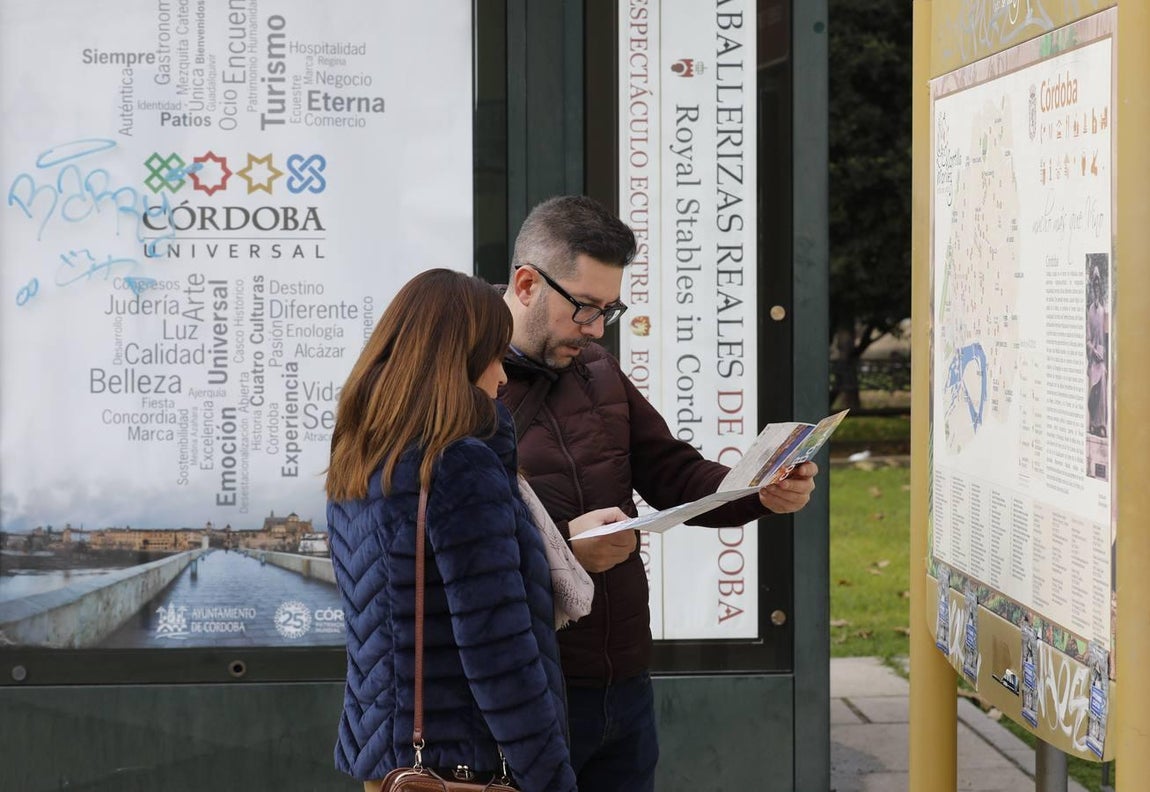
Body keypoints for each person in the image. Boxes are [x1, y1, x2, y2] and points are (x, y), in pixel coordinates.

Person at [499, 196, 819, 792]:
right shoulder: (465, 382)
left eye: (608, 311)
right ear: (525, 284)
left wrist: (759, 491)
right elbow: (446, 552)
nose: (595, 330)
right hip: (526, 689)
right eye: (585, 309)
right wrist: (564, 554)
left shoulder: (596, 368)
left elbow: (672, 472)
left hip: (623, 683)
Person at [325, 268, 626, 792]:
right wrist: (552, 778)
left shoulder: (363, 455)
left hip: (392, 767)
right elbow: (498, 649)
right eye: (493, 355)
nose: (503, 376)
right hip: (463, 767)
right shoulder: (459, 464)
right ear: (459, 359)